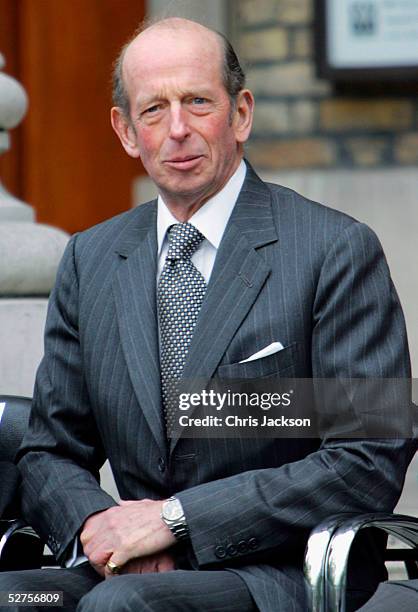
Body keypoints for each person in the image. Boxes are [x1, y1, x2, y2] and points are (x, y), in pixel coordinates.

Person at [0, 17, 414, 612]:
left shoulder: (334, 250)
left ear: (241, 113)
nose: (177, 131)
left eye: (198, 102)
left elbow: (368, 457)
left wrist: (177, 520)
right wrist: (103, 529)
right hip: (124, 570)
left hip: (277, 571)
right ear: (124, 131)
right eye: (153, 110)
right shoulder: (91, 258)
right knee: (17, 598)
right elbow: (49, 450)